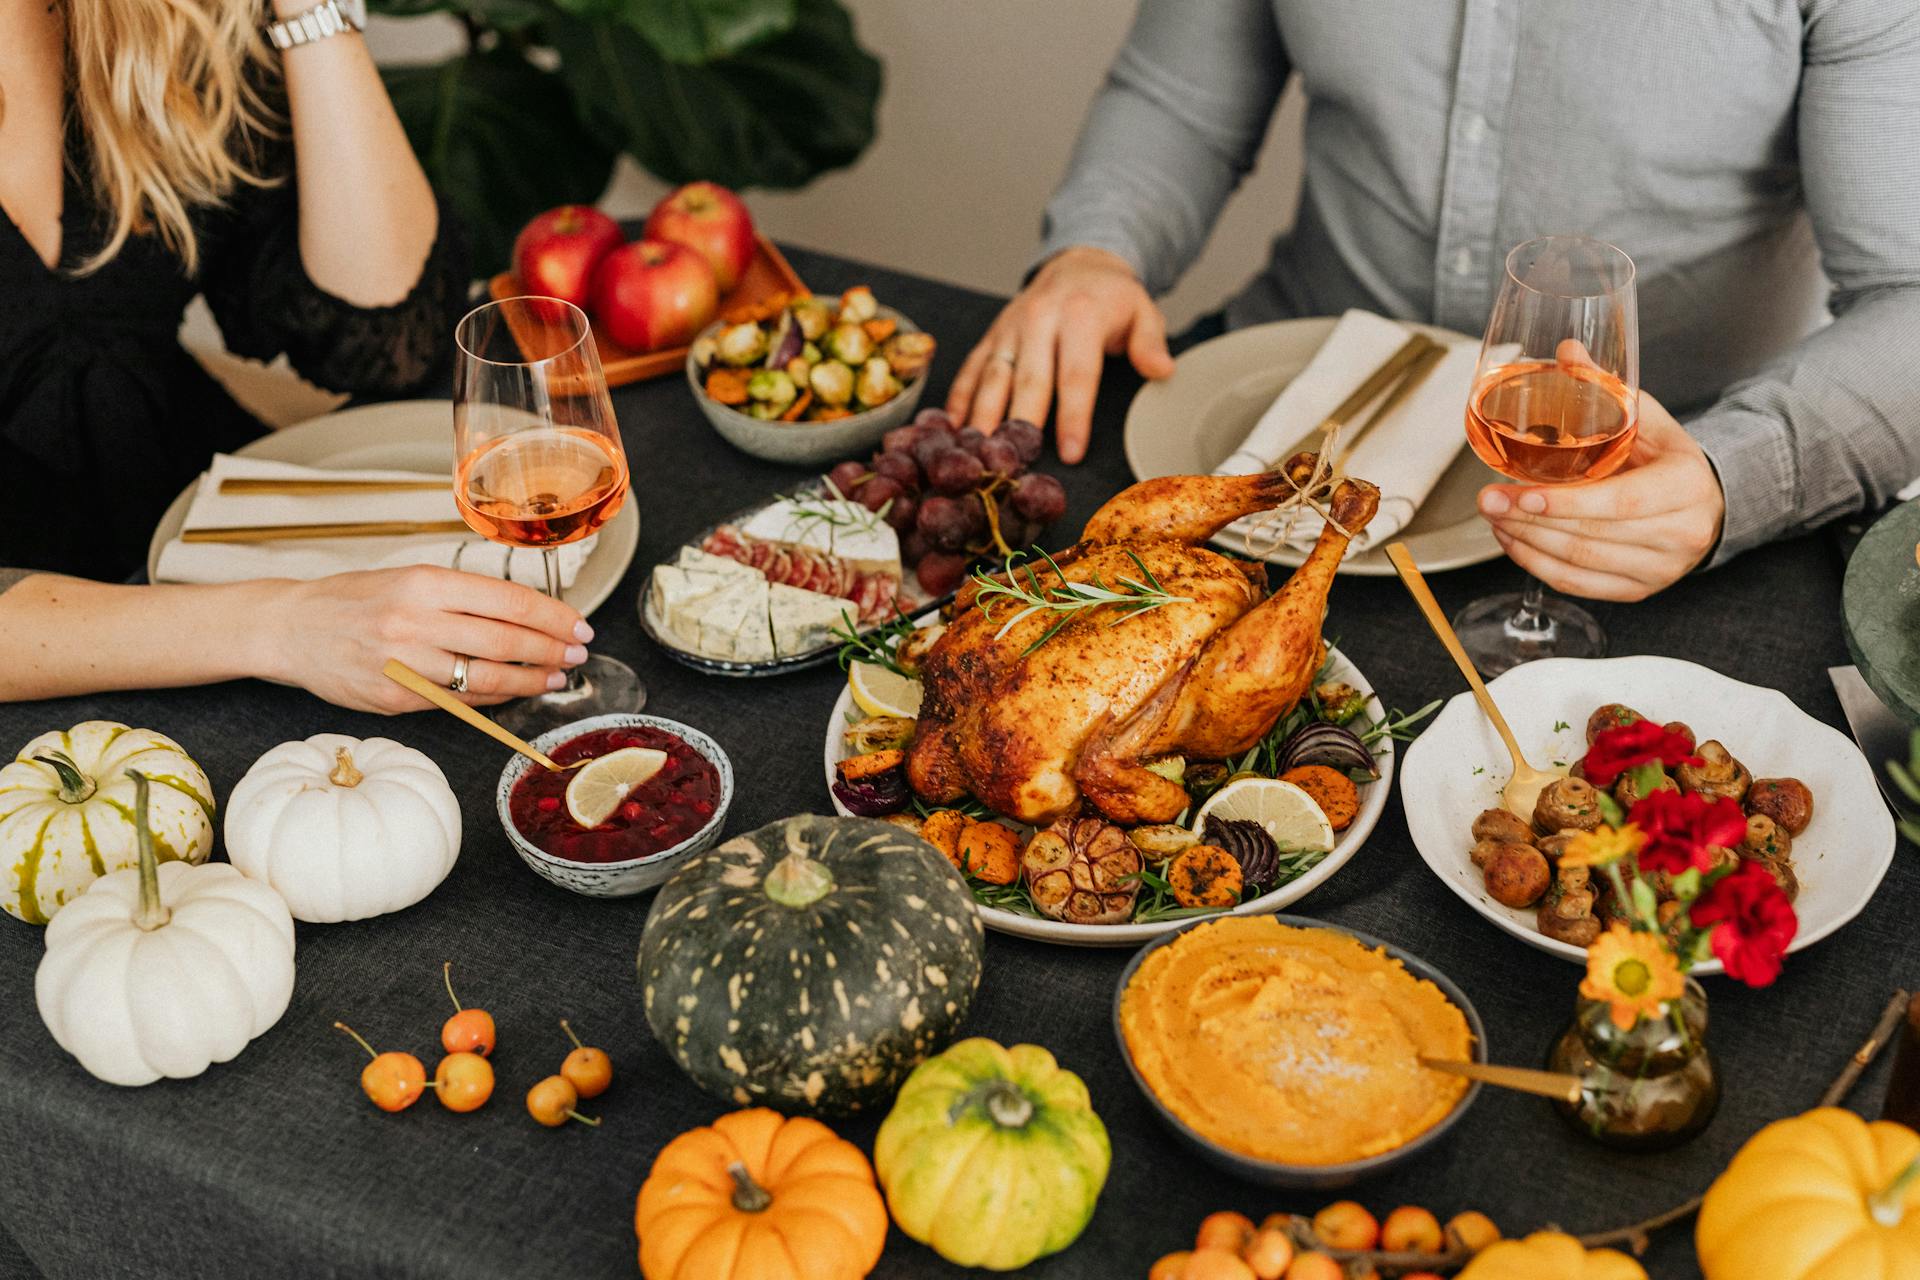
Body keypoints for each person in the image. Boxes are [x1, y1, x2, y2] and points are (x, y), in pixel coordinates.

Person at [949, 1, 1920, 602]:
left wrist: (1732, 475)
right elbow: (1179, 105)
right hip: (1271, 424)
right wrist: (1096, 251)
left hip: (1642, 516)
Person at [0, 0, 587, 710]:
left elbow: (387, 338)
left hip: (214, 536)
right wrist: (280, 625)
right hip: (94, 658)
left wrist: (311, 11)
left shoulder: (149, 14)